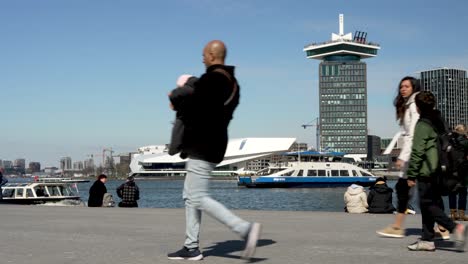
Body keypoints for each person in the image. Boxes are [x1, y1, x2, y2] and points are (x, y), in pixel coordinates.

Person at [166, 40, 261, 261]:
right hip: (214, 142)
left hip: (203, 143)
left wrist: (176, 102)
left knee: (197, 196)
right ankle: (191, 247)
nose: (201, 59)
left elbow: (198, 108)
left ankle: (245, 230)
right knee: (190, 196)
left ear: (211, 54)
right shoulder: (232, 83)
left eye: (203, 55)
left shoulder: (213, 79)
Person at [406, 91, 467, 251]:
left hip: (428, 170)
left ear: (418, 107)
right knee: (428, 204)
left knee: (427, 203)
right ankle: (427, 240)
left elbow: (418, 151)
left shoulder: (423, 124)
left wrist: (412, 174)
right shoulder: (439, 120)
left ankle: (454, 228)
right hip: (441, 169)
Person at [377, 76, 421, 237]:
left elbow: (413, 135)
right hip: (413, 157)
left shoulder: (414, 105)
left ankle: (445, 228)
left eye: (407, 86)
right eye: (401, 86)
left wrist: (403, 157)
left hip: (415, 157)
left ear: (414, 88)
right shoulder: (408, 105)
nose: (403, 89)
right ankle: (398, 226)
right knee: (407, 191)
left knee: (416, 194)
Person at [448, 124, 468, 221]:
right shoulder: (465, 141)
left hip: (451, 170)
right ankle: (462, 214)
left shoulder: (450, 141)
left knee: (452, 192)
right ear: (464, 131)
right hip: (463, 170)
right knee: (463, 192)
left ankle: (453, 214)